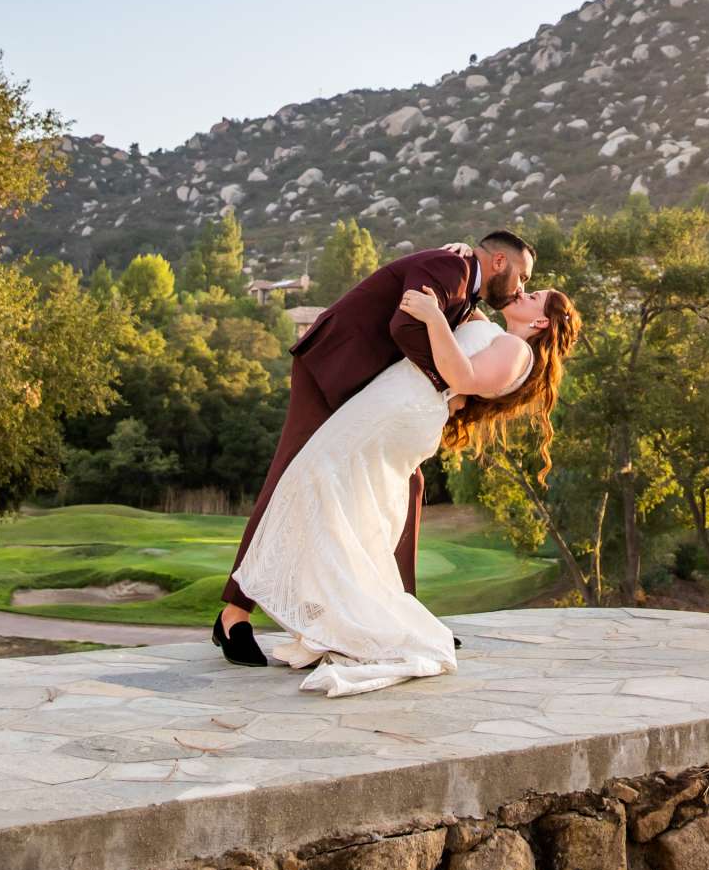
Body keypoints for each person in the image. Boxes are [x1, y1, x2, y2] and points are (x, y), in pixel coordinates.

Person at [235, 275, 581, 695]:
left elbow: (465, 377)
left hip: (401, 411)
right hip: (395, 402)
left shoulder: (518, 350)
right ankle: (336, 614)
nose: (524, 292)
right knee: (337, 495)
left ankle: (354, 620)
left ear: (542, 323)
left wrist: (435, 317)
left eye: (535, 297)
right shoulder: (495, 334)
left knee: (318, 479)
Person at [212, 229, 537, 666]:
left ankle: (400, 615)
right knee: (287, 477)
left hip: (365, 388)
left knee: (410, 486)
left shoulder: (465, 284)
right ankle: (233, 615)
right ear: (500, 262)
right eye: (523, 276)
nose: (522, 288)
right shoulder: (451, 267)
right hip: (331, 369)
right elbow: (403, 325)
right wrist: (444, 386)